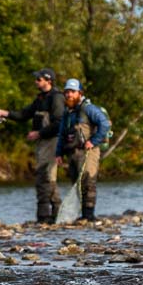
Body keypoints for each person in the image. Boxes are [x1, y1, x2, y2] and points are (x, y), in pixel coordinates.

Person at [0, 68, 65, 224]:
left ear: (48, 81)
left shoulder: (56, 98)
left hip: (52, 141)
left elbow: (59, 123)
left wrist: (39, 133)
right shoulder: (40, 99)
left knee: (44, 176)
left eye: (39, 79)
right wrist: (2, 113)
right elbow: (23, 115)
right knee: (48, 177)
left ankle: (45, 216)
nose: (36, 82)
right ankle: (56, 214)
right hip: (43, 143)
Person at [55, 78, 110, 222]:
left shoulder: (89, 109)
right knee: (76, 182)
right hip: (72, 152)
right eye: (67, 92)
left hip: (88, 151)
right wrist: (58, 153)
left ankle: (89, 215)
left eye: (72, 92)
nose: (69, 95)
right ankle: (83, 214)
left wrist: (93, 141)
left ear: (80, 93)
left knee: (88, 181)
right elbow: (61, 134)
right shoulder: (67, 112)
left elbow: (104, 124)